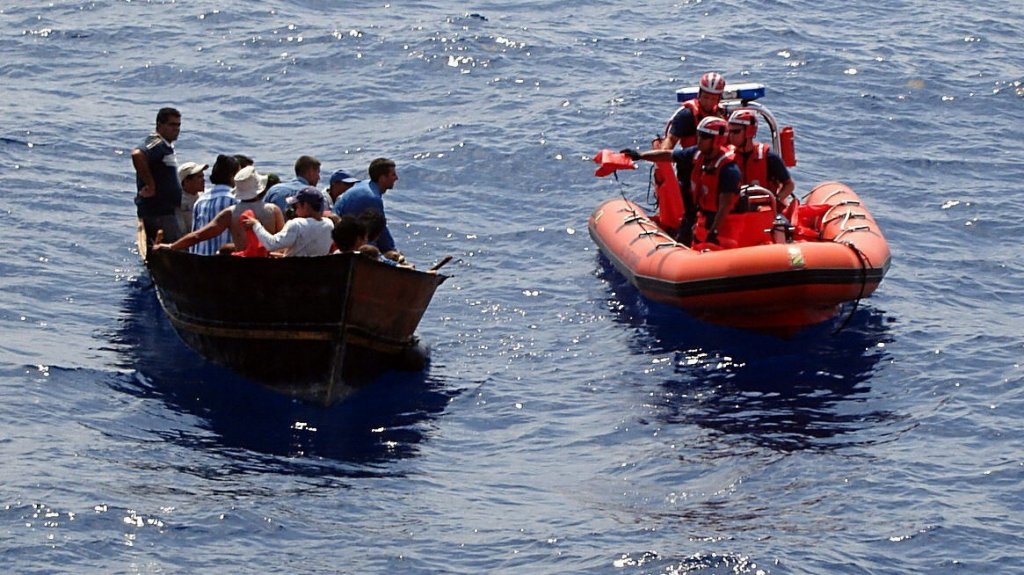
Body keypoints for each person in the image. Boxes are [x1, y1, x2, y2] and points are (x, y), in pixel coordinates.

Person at [152, 165, 283, 255]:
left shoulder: (231, 213)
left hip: (243, 266)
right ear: (260, 189)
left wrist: (171, 246)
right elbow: (283, 241)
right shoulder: (273, 210)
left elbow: (198, 236)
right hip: (267, 267)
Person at [131, 107, 184, 246]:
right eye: (172, 125)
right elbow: (137, 154)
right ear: (160, 125)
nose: (176, 129)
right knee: (174, 249)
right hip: (158, 212)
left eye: (178, 125)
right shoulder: (157, 142)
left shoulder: (166, 146)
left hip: (166, 211)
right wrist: (150, 185)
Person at [727, 110, 796, 207]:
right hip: (734, 212)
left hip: (763, 211)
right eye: (729, 131)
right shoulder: (726, 158)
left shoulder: (769, 157)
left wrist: (776, 200)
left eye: (736, 131)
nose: (731, 136)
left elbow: (789, 185)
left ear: (749, 132)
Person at [334, 157, 401, 256]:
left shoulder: (364, 184)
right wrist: (394, 253)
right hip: (345, 241)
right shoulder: (372, 198)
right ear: (382, 178)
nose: (396, 178)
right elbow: (381, 232)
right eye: (393, 175)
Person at [243, 187, 334, 257]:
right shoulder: (329, 225)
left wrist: (256, 224)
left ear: (305, 206)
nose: (295, 211)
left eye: (296, 207)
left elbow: (271, 244)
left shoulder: (297, 224)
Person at [660, 72, 728, 150]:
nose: (708, 102)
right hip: (691, 159)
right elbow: (671, 140)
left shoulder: (723, 114)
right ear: (699, 94)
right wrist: (663, 154)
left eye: (713, 99)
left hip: (716, 159)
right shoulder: (686, 115)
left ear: (719, 99)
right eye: (705, 97)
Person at [189, 154, 239, 255]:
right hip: (226, 261)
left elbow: (194, 235)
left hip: (201, 260)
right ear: (231, 177)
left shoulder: (200, 201)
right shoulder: (235, 201)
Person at [264, 155, 331, 215]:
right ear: (311, 172)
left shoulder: (274, 189)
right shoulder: (316, 196)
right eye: (318, 173)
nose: (319, 178)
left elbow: (262, 212)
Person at [176, 161, 207, 233]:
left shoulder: (204, 196)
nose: (203, 180)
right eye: (199, 177)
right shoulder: (179, 201)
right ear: (186, 181)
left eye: (203, 176)